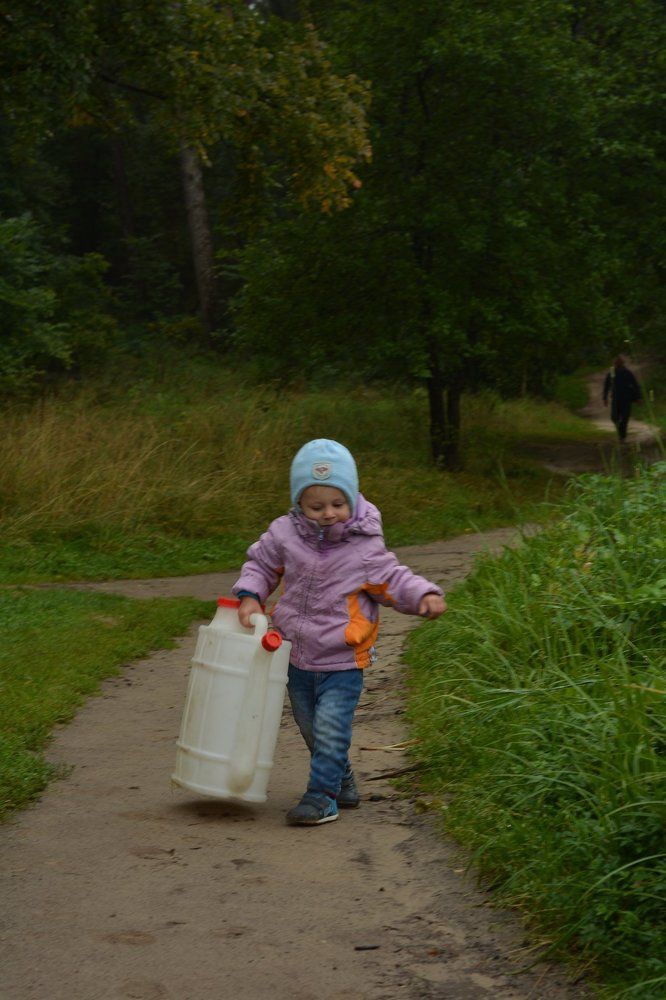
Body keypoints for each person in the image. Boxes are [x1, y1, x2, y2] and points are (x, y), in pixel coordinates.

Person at [232, 439, 446, 827]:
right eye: (316, 507)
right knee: (312, 730)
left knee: (331, 728)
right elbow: (261, 564)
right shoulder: (284, 535)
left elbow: (393, 579)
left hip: (343, 660)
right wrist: (249, 596)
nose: (328, 514)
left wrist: (424, 596)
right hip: (295, 656)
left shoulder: (364, 548)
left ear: (352, 498)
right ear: (299, 503)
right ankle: (342, 779)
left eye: (337, 504)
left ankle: (322, 797)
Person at [603, 356, 642, 442]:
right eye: (615, 363)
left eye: (618, 363)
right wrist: (605, 398)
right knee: (614, 417)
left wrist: (639, 397)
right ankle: (620, 431)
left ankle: (622, 436)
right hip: (616, 399)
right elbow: (607, 385)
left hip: (626, 399)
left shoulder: (627, 373)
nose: (616, 364)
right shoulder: (612, 373)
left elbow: (635, 385)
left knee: (625, 418)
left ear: (622, 364)